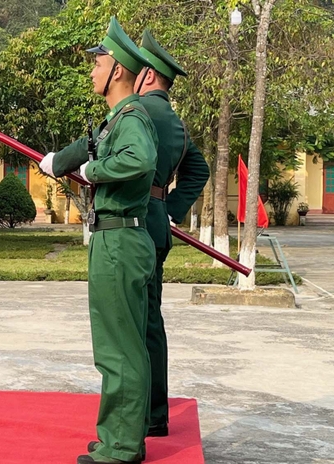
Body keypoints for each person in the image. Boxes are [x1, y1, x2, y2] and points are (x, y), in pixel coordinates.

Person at [39, 17, 158, 464]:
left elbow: (139, 161)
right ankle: (120, 435)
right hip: (117, 239)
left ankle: (122, 446)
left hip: (120, 242)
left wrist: (92, 172)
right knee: (121, 344)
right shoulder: (118, 120)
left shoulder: (132, 119)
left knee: (118, 348)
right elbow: (89, 148)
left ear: (118, 73)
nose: (91, 71)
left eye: (98, 63)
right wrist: (63, 160)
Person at [135, 29, 210, 438]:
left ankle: (143, 415)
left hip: (135, 222)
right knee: (150, 319)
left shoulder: (138, 112)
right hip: (156, 220)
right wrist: (170, 209)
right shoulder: (175, 122)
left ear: (146, 75)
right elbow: (198, 169)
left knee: (135, 322)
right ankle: (156, 413)